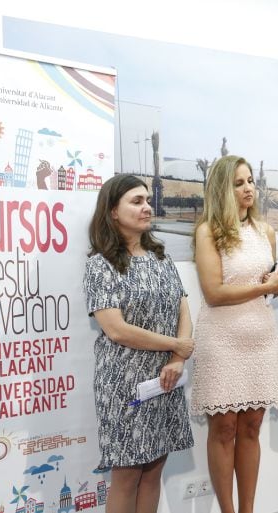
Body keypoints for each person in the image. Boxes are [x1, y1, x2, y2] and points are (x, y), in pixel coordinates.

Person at [82, 174, 194, 513]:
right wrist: (176, 344)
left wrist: (177, 359)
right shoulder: (100, 265)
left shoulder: (162, 259)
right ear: (113, 211)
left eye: (147, 200)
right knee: (128, 473)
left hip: (165, 379)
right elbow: (116, 329)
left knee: (154, 468)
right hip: (123, 384)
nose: (146, 207)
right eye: (136, 201)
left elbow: (182, 306)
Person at [191, 155, 278, 513]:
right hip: (222, 338)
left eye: (250, 181)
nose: (248, 188)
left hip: (260, 336)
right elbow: (214, 293)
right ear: (222, 189)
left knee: (251, 425)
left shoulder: (265, 231)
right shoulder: (208, 232)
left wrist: (276, 286)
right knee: (224, 429)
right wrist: (260, 287)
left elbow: (265, 284)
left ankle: (247, 510)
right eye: (238, 183)